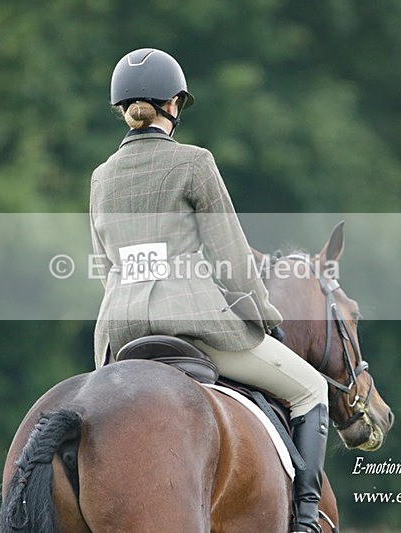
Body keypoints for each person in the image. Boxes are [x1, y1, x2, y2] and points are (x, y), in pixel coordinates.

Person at [89, 47, 329, 533]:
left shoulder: (100, 177)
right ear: (174, 104)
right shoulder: (195, 163)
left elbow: (104, 265)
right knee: (312, 388)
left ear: (122, 109)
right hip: (195, 327)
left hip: (121, 337)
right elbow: (234, 260)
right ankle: (307, 516)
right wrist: (266, 321)